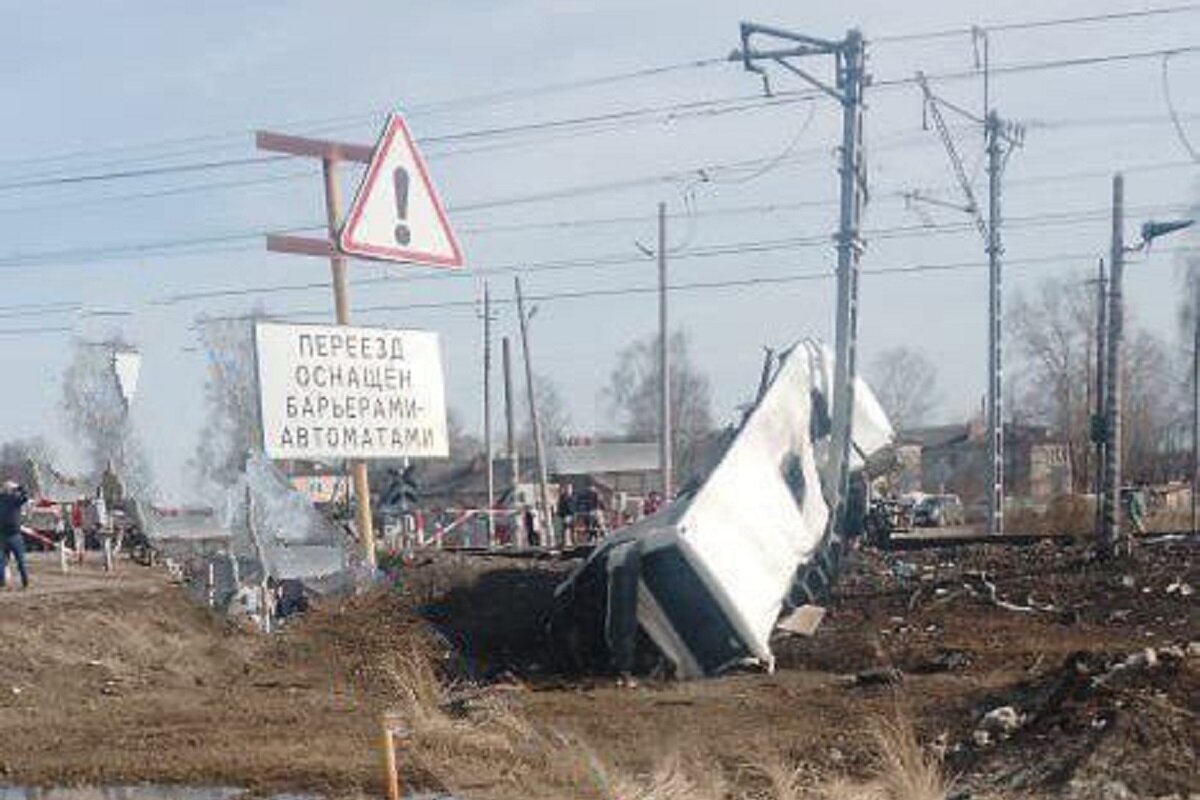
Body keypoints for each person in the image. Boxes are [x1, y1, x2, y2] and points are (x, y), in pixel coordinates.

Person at [0, 480, 30, 590]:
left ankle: (25, 582)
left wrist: (18, 487)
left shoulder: (15, 499)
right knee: (1, 562)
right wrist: (16, 487)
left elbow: (26, 496)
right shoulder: (5, 498)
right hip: (3, 536)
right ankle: (2, 583)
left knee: (20, 562)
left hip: (14, 536)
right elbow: (25, 495)